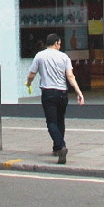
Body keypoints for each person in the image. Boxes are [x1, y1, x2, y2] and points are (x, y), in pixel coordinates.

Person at [26, 33, 85, 164]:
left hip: (48, 93)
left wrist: (28, 84)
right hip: (62, 94)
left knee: (51, 123)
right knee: (60, 121)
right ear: (57, 43)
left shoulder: (39, 56)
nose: (60, 46)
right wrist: (78, 92)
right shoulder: (64, 57)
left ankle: (61, 145)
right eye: (59, 44)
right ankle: (57, 148)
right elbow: (70, 76)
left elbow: (31, 75)